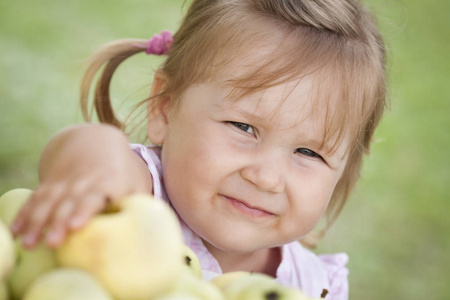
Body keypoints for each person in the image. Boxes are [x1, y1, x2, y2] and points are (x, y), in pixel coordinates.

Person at [11, 0, 387, 299]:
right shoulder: (138, 198)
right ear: (165, 108)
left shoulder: (316, 286)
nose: (267, 178)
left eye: (309, 153)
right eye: (244, 127)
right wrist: (94, 171)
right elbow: (88, 148)